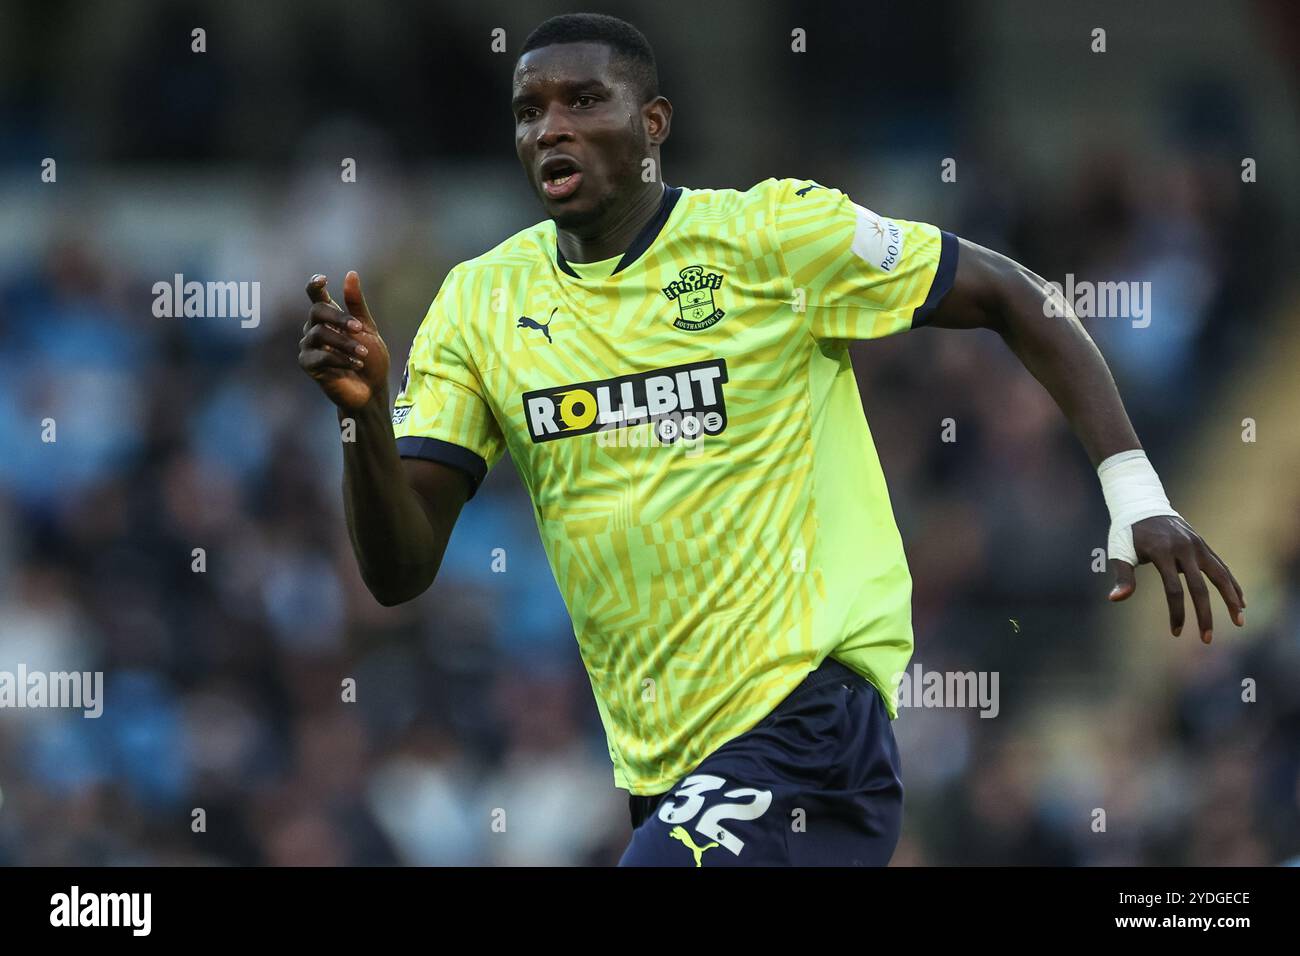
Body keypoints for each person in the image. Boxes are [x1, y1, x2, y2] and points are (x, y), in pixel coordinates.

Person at [297, 13, 1245, 866]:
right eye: (529, 109)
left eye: (584, 100)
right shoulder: (480, 304)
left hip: (812, 721)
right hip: (664, 770)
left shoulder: (771, 239)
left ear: (654, 123)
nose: (551, 126)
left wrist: (1136, 492)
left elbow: (1012, 293)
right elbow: (399, 570)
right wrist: (361, 415)